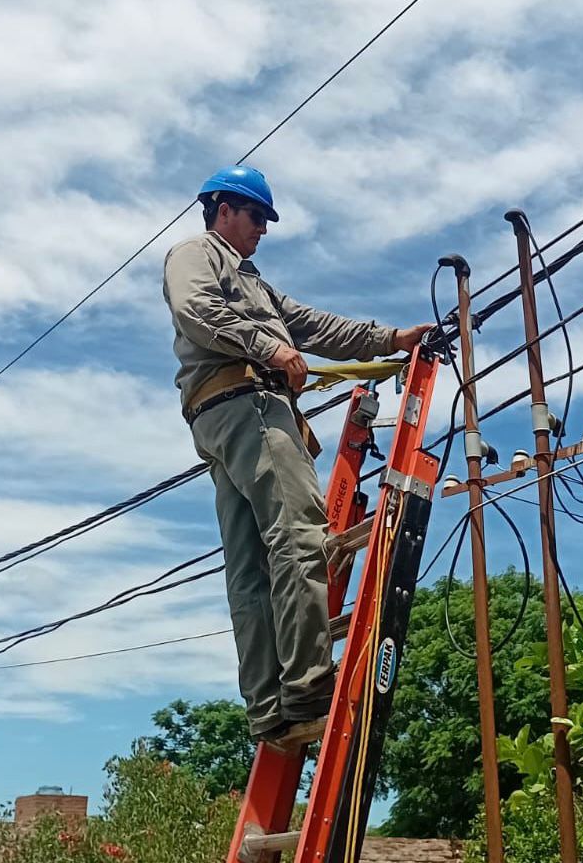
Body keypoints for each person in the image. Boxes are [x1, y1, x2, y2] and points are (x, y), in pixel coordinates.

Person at [162, 165, 431, 750]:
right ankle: (308, 688)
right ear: (223, 209)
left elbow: (314, 326)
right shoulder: (195, 254)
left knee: (251, 567)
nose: (263, 229)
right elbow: (196, 310)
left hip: (227, 415)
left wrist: (391, 340)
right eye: (256, 216)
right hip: (250, 407)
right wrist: (271, 349)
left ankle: (270, 711)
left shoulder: (256, 285)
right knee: (301, 537)